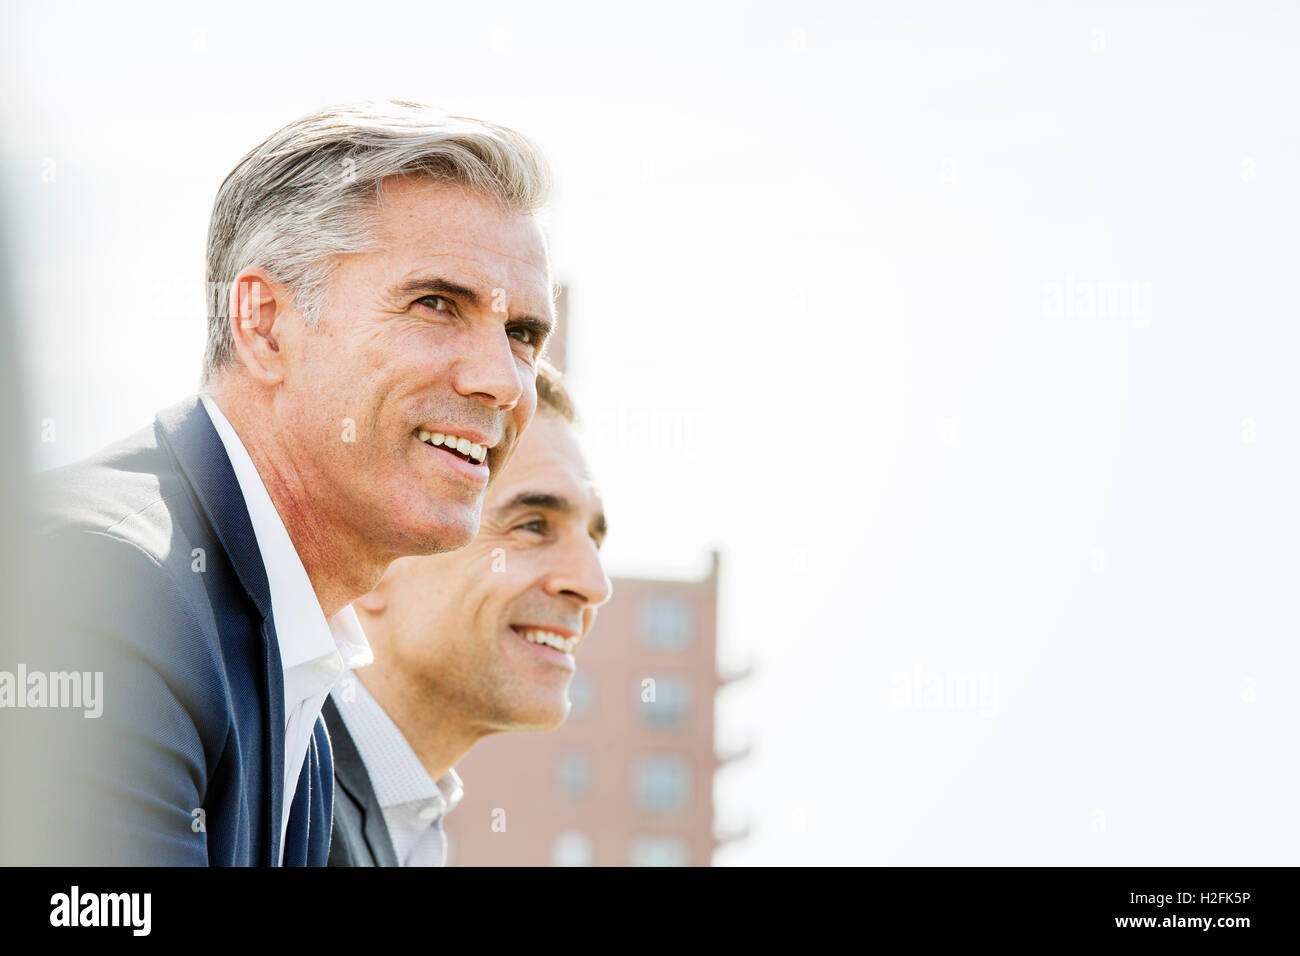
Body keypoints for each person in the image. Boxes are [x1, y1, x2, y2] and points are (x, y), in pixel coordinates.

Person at [27, 101, 556, 865]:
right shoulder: (111, 588)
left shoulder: (292, 662)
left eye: (522, 336)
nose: (501, 381)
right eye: (436, 304)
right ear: (264, 322)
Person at [324, 363, 610, 866]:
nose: (592, 585)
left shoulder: (399, 826)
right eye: (533, 525)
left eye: (595, 540)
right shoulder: (255, 795)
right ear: (373, 554)